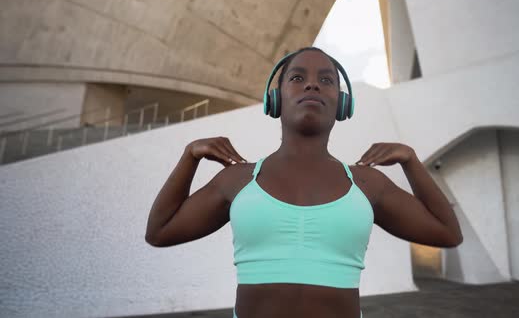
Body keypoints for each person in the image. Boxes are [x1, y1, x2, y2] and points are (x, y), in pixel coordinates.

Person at [145, 47, 463, 318]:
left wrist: (411, 161)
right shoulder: (238, 178)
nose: (312, 85)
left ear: (342, 103)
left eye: (326, 80)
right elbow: (160, 232)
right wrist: (189, 157)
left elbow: (447, 232)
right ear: (275, 98)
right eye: (297, 78)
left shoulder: (367, 183)